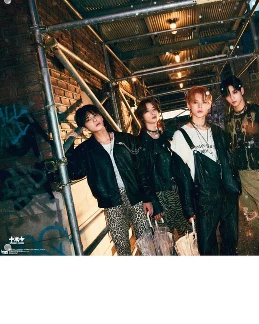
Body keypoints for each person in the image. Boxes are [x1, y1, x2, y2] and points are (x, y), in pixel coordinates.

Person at [65, 104, 153, 256]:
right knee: (121, 246)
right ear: (85, 127)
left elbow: (141, 170)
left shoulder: (125, 139)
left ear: (101, 115)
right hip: (111, 202)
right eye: (88, 119)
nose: (95, 120)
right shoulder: (87, 149)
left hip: (135, 197)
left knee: (146, 243)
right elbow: (74, 173)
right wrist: (70, 148)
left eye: (95, 115)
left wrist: (147, 197)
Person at [170, 86, 241, 255]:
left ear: (210, 105)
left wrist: (235, 187)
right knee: (207, 245)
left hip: (226, 193)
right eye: (195, 102)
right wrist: (188, 207)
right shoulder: (181, 135)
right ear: (188, 105)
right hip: (204, 196)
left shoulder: (218, 131)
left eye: (204, 102)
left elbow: (229, 162)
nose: (200, 106)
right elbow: (182, 175)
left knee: (231, 240)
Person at [220, 74, 259, 255]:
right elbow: (229, 147)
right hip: (239, 175)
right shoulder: (229, 118)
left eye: (235, 92)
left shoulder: (257, 112)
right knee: (251, 216)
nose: (232, 97)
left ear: (242, 91)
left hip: (256, 170)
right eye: (228, 94)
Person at [134, 97, 192, 241]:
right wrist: (153, 201)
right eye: (147, 111)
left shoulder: (165, 136)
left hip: (175, 191)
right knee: (166, 240)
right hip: (160, 195)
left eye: (154, 109)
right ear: (141, 116)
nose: (152, 113)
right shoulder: (141, 142)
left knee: (187, 234)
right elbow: (142, 175)